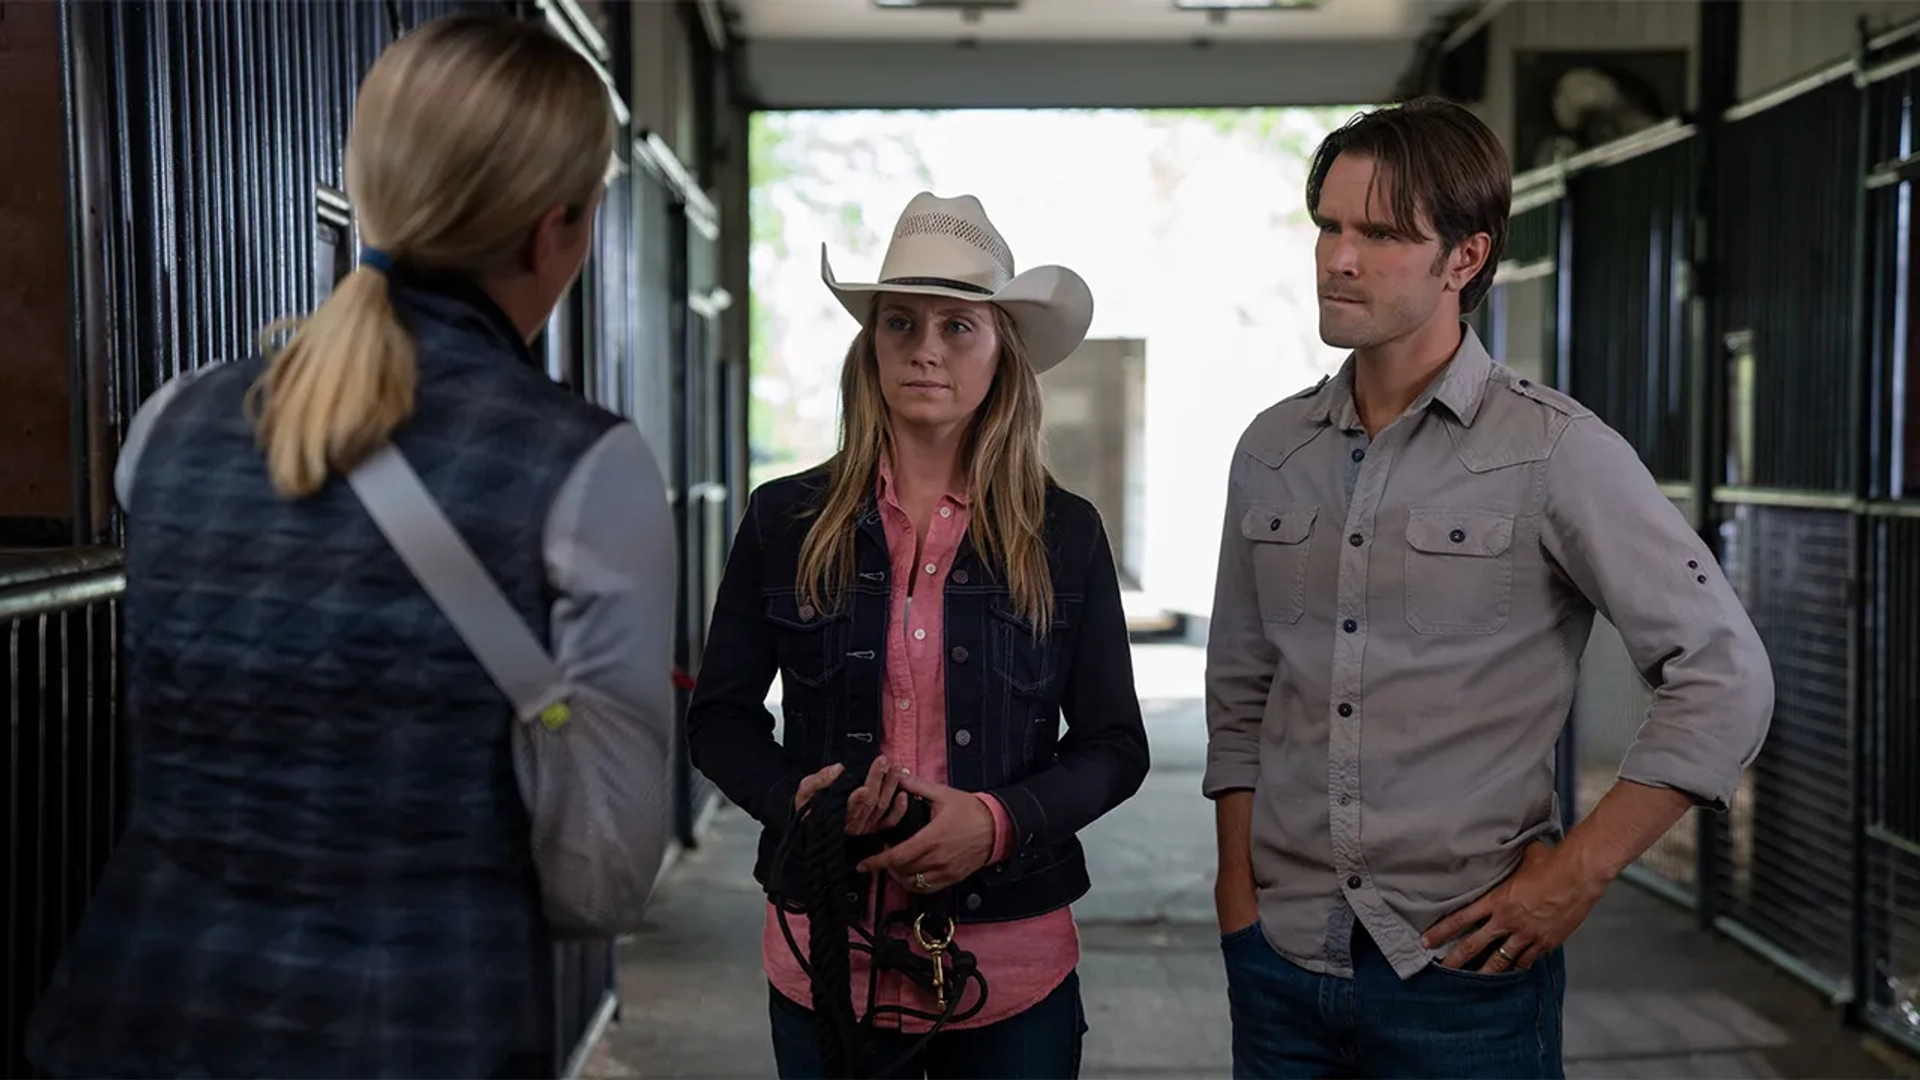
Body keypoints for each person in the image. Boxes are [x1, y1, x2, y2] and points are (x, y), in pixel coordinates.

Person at [25, 15, 676, 1079]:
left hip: (132, 1012)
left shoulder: (169, 423)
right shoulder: (587, 470)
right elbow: (601, 874)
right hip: (416, 1026)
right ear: (557, 228)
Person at [1204, 96, 1774, 1079]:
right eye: (1330, 226)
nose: (1340, 258)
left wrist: (1581, 871)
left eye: (1381, 234)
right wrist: (1236, 896)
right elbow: (1242, 685)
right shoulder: (1272, 449)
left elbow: (1723, 673)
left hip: (1462, 974)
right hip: (1281, 962)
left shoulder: (1555, 452)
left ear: (1463, 260)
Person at [687, 192, 1150, 1079]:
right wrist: (803, 800)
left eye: (957, 327)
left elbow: (1116, 745)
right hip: (829, 952)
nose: (926, 348)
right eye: (899, 323)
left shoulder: (1067, 534)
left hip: (1012, 965)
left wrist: (998, 821)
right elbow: (720, 722)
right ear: (871, 349)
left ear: (1000, 354)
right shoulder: (783, 520)